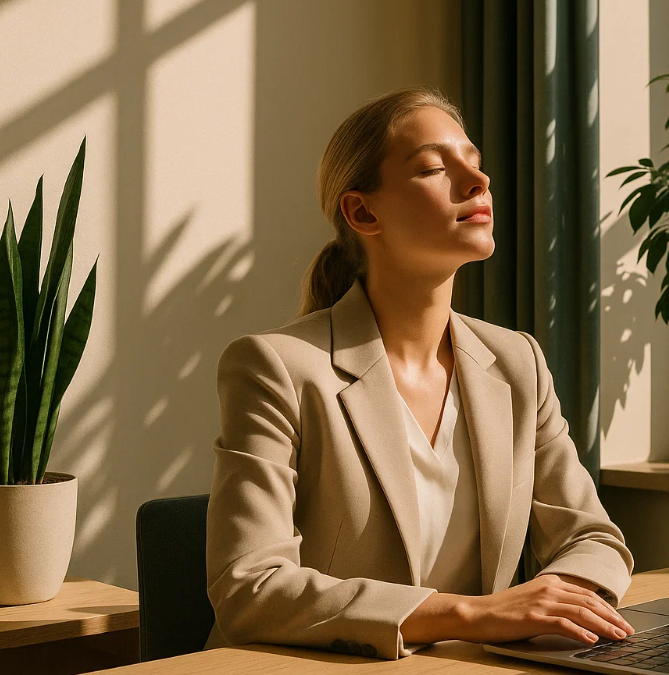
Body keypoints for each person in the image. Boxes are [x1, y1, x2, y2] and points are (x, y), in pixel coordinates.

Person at [203, 85, 634, 661]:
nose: (477, 181)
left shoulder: (517, 362)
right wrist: (475, 615)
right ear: (363, 212)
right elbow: (251, 588)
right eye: (434, 168)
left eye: (475, 162)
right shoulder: (276, 367)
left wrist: (556, 605)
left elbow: (593, 537)